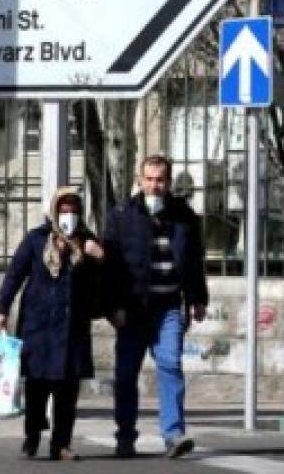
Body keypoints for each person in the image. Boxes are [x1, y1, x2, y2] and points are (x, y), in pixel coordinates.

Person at [104, 155, 209, 460]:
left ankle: (173, 435)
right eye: (149, 179)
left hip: (168, 307)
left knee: (170, 365)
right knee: (126, 375)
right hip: (133, 308)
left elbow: (193, 261)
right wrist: (114, 306)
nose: (154, 185)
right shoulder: (122, 215)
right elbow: (112, 267)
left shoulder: (184, 216)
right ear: (139, 180)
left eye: (160, 179)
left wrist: (197, 298)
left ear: (168, 182)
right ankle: (125, 436)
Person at [0, 187, 106, 461]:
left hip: (72, 328)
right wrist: (0, 310)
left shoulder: (87, 242)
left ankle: (61, 444)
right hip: (39, 325)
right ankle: (31, 438)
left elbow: (102, 284)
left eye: (74, 211)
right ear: (54, 211)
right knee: (37, 387)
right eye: (64, 211)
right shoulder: (36, 239)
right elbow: (14, 275)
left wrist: (99, 259)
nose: (69, 216)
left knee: (67, 390)